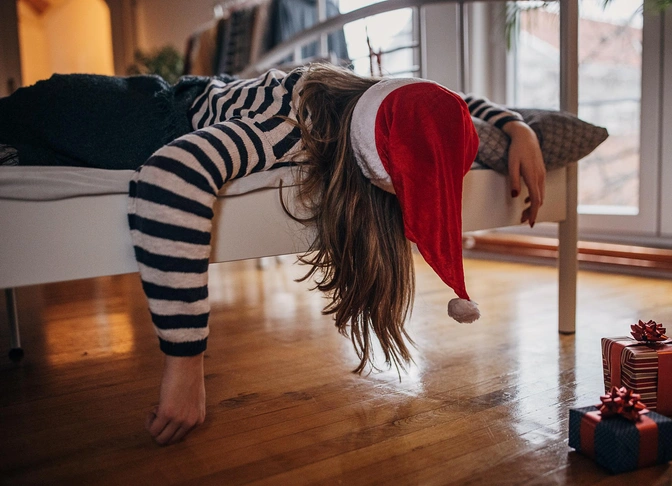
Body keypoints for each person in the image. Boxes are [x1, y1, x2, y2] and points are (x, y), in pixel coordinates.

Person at [0, 63, 545, 445]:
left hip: (163, 92)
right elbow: (168, 177)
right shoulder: (288, 131)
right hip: (105, 114)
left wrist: (516, 127)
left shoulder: (355, 93)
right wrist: (186, 365)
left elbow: (448, 103)